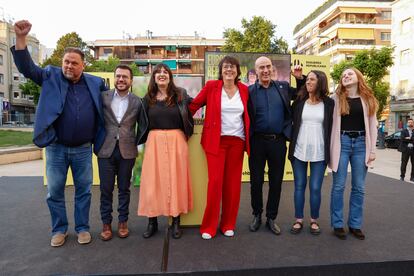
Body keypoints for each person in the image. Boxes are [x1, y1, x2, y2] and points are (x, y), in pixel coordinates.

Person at [11, 20, 107, 247]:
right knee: (54, 191)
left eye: (74, 63)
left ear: (83, 66)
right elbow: (26, 68)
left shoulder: (95, 83)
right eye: (66, 62)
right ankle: (59, 229)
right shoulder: (49, 76)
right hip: (56, 148)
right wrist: (21, 39)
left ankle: (82, 228)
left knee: (84, 191)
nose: (69, 66)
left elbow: (109, 106)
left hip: (84, 149)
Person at [189, 56, 250, 240]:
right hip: (216, 142)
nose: (229, 70)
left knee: (233, 186)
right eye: (225, 67)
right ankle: (209, 226)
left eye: (232, 67)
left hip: (237, 142)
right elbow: (193, 105)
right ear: (221, 71)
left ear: (238, 71)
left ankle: (228, 223)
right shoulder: (212, 87)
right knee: (215, 184)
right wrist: (175, 118)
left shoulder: (245, 90)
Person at [248, 56, 304, 235]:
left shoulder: (283, 88)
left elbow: (303, 94)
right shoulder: (249, 91)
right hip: (256, 141)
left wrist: (299, 78)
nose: (265, 70)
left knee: (276, 182)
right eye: (261, 68)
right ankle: (257, 215)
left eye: (268, 67)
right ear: (256, 71)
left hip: (278, 142)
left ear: (272, 69)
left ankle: (271, 218)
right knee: (256, 181)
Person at [137, 63, 194, 239]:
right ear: (153, 77)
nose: (162, 74)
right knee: (152, 182)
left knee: (176, 179)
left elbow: (198, 104)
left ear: (170, 76)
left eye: (165, 72)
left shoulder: (181, 95)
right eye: (158, 72)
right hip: (154, 142)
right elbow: (140, 121)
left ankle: (176, 221)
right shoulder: (147, 99)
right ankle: (152, 221)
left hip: (177, 141)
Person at [97, 65, 148, 241]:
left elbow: (143, 125)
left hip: (127, 151)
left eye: (125, 77)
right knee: (106, 189)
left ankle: (123, 222)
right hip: (105, 150)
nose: (121, 80)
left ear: (131, 81)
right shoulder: (103, 97)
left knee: (124, 189)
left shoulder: (138, 101)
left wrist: (137, 142)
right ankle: (106, 224)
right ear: (114, 78)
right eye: (118, 76)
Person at [330, 68, 378, 240]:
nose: (345, 76)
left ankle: (355, 224)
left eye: (349, 74)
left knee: (359, 187)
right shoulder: (335, 99)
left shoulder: (368, 99)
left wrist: (372, 150)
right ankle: (337, 224)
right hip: (341, 144)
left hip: (361, 145)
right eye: (343, 75)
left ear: (358, 77)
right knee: (338, 186)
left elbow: (373, 126)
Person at [288, 70, 334, 235]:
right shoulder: (300, 101)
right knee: (299, 186)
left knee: (315, 187)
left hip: (320, 151)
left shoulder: (329, 104)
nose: (308, 82)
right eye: (307, 80)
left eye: (312, 80)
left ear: (320, 82)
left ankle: (314, 220)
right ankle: (298, 219)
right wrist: (300, 79)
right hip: (299, 148)